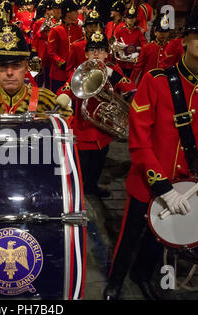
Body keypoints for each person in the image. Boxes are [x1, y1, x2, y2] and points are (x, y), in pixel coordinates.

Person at [103, 0, 198, 300]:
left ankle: (143, 274)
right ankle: (116, 279)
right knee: (130, 235)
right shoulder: (156, 80)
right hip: (148, 179)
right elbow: (138, 140)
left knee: (161, 239)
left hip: (183, 180)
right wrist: (161, 185)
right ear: (185, 38)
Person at [58, 28, 136, 198]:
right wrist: (63, 96)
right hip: (84, 128)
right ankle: (78, 191)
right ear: (86, 54)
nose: (96, 54)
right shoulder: (79, 71)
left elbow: (129, 86)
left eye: (101, 50)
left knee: (99, 163)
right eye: (92, 50)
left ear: (106, 54)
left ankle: (92, 187)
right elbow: (64, 89)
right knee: (82, 165)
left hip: (104, 129)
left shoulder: (113, 70)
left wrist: (111, 74)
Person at [48, 0, 84, 93]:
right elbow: (51, 52)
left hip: (74, 74)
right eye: (75, 11)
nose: (77, 13)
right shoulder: (55, 30)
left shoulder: (78, 29)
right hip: (59, 73)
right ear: (68, 13)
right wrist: (62, 63)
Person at [130, 13, 171, 85]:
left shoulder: (171, 49)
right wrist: (131, 85)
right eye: (161, 31)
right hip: (147, 84)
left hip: (164, 85)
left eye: (166, 32)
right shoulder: (147, 48)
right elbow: (137, 69)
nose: (163, 34)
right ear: (155, 31)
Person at [114, 3, 147, 77]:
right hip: (121, 63)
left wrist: (135, 48)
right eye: (129, 17)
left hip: (133, 64)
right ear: (125, 19)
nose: (130, 20)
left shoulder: (138, 32)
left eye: (133, 18)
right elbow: (115, 46)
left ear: (135, 19)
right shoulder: (120, 31)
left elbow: (145, 46)